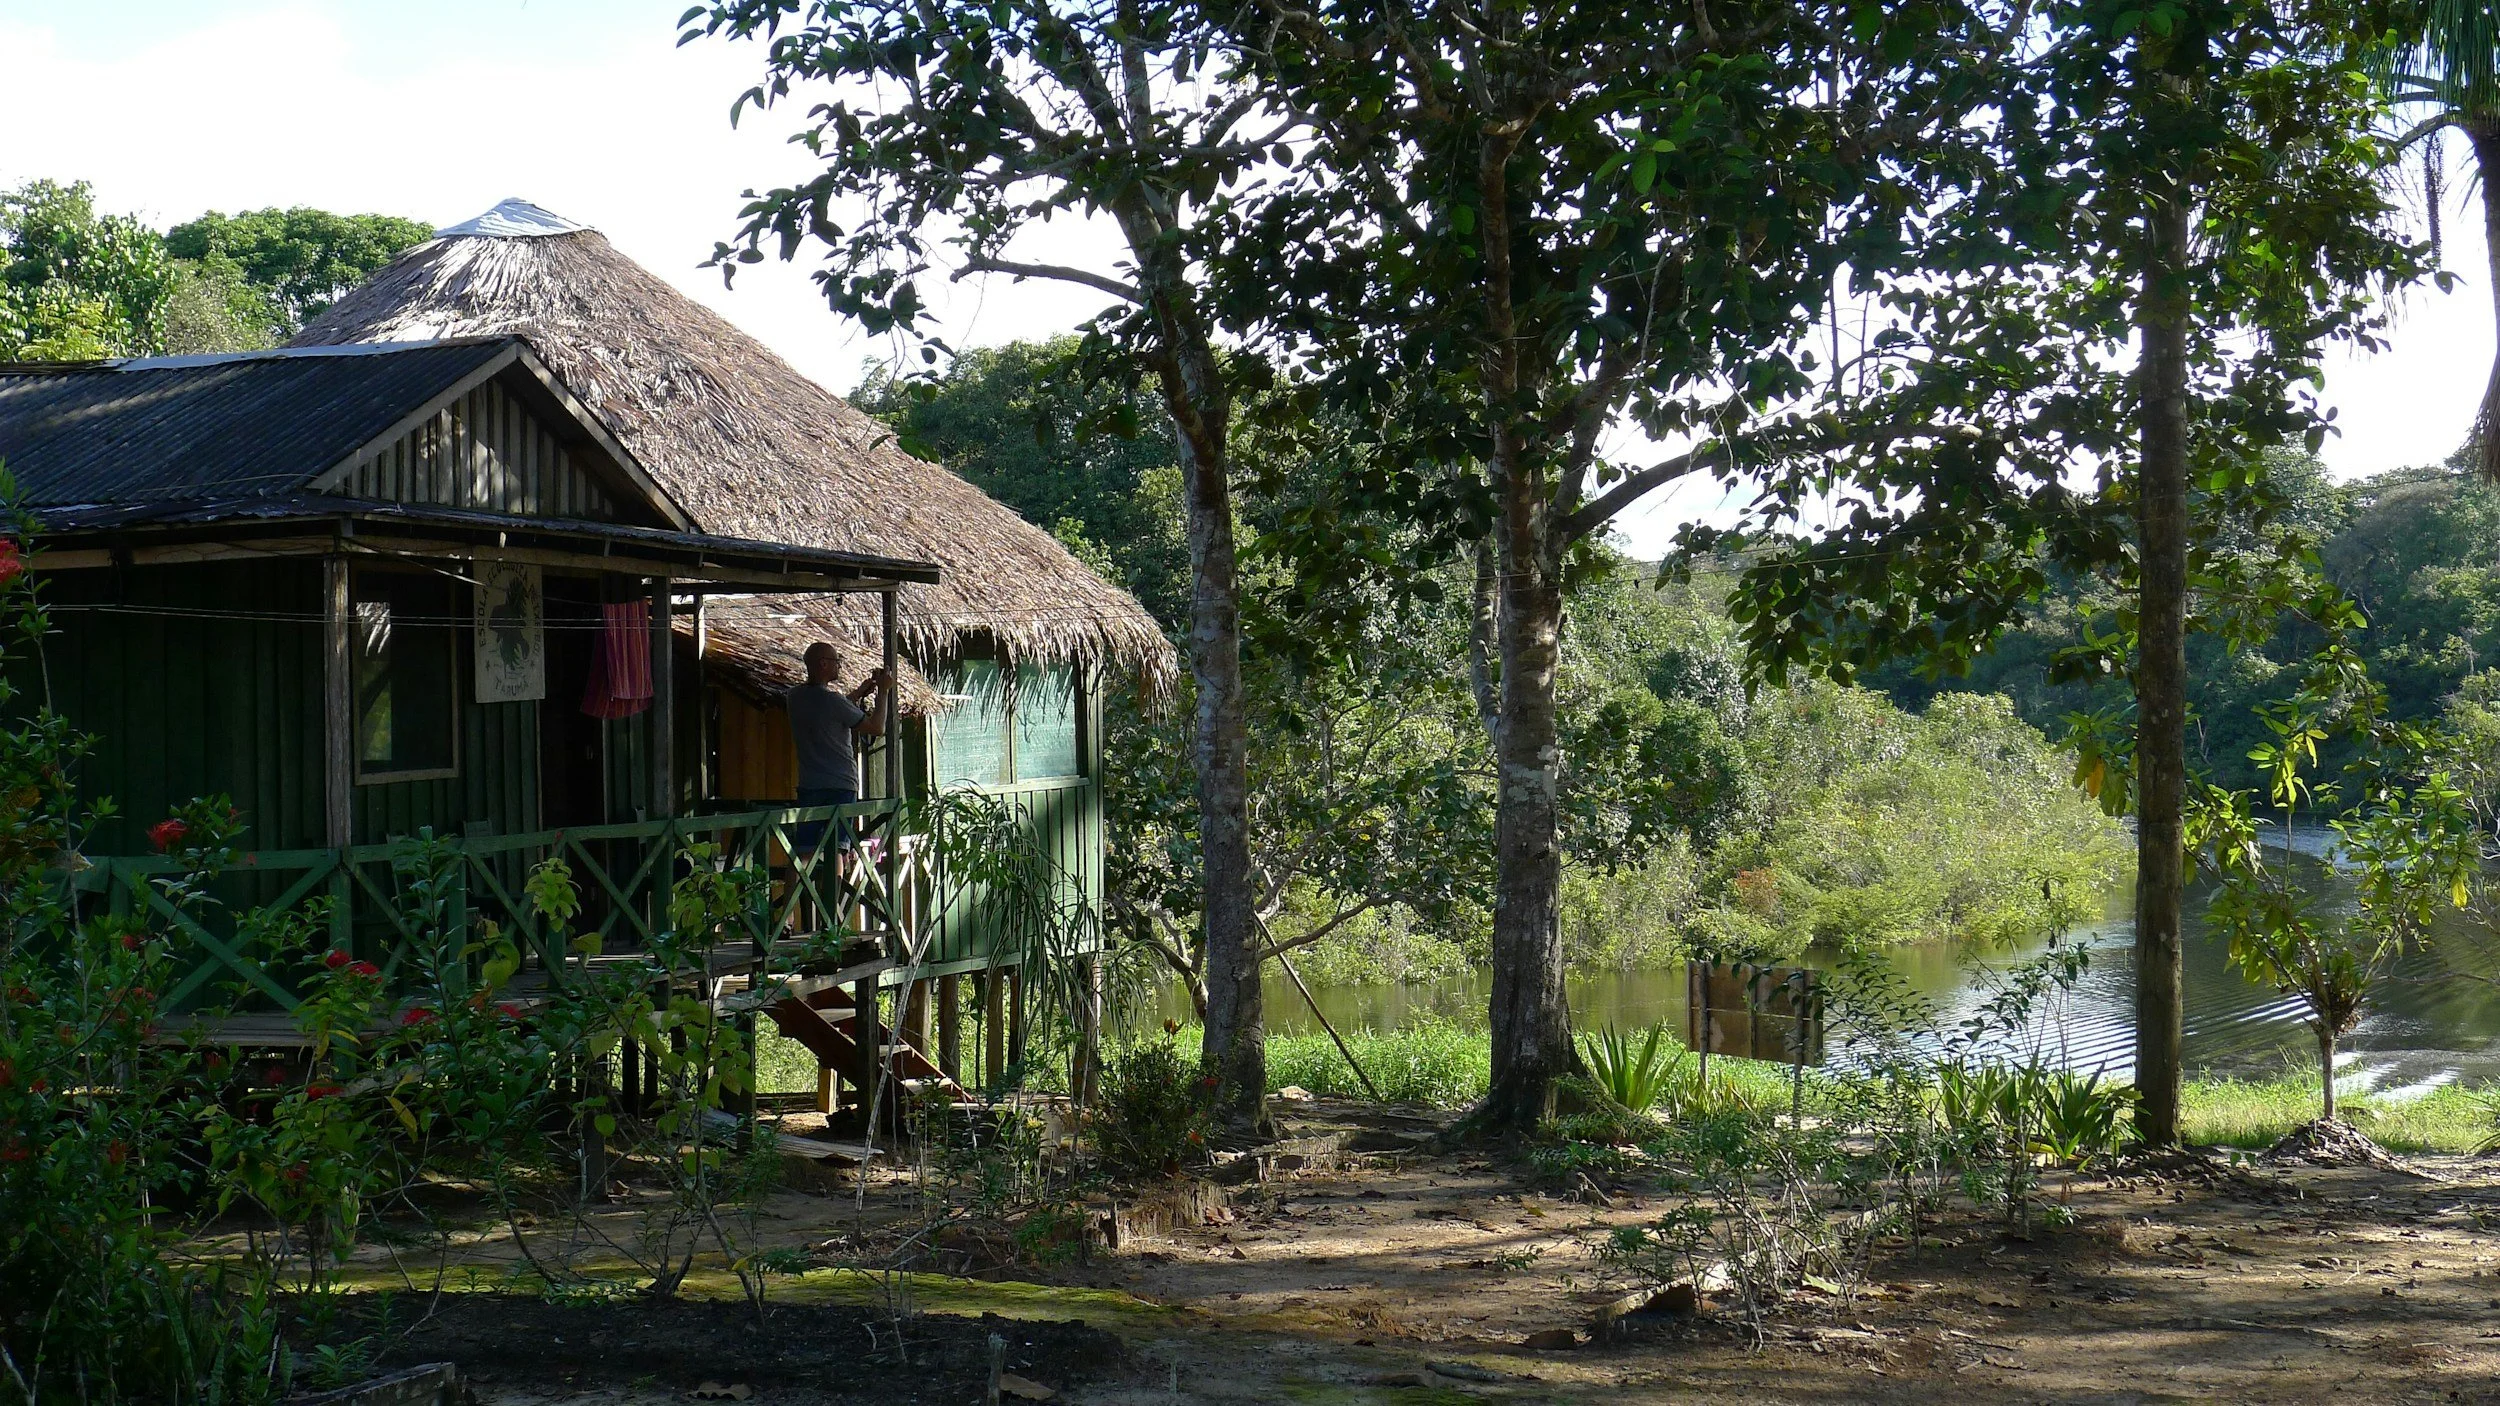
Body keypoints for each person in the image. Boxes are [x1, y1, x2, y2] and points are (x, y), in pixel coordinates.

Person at [787, 642, 888, 856]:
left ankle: (792, 891)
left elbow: (829, 710)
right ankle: (833, 891)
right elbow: (876, 728)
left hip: (809, 784)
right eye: (836, 661)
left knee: (802, 853)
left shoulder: (795, 697)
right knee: (837, 851)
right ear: (823, 663)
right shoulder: (832, 701)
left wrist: (859, 693)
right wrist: (884, 693)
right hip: (840, 784)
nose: (839, 666)